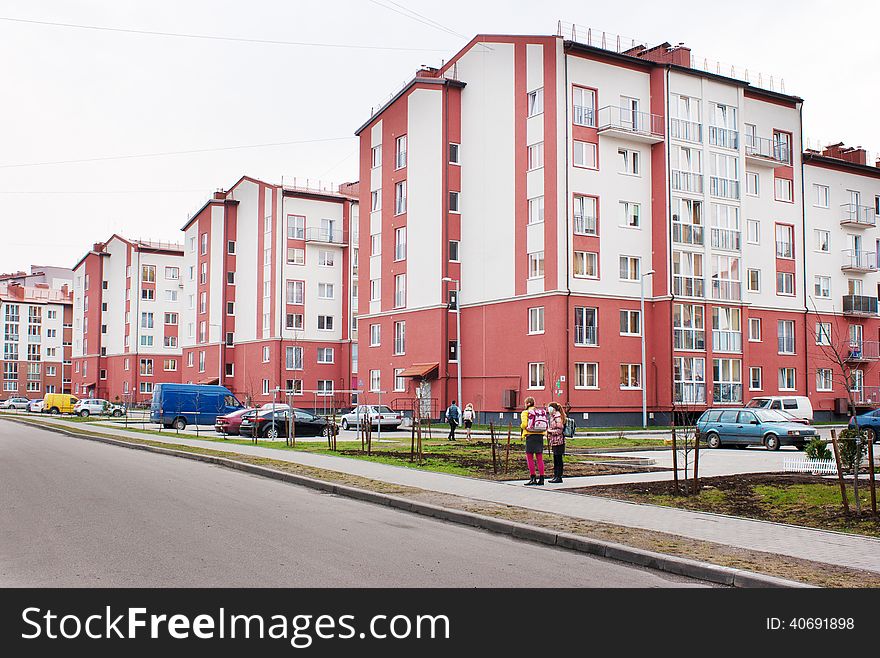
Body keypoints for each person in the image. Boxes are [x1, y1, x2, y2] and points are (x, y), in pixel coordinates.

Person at [520, 396, 548, 486]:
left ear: (528, 404)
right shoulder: (538, 412)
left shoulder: (525, 412)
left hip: (530, 436)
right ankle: (542, 478)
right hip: (540, 435)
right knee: (539, 458)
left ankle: (533, 478)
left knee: (530, 457)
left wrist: (522, 426)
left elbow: (524, 424)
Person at [547, 402, 567, 483]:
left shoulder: (558, 417)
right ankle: (556, 476)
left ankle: (559, 476)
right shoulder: (553, 417)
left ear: (554, 409)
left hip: (559, 441)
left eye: (550, 407)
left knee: (558, 458)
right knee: (555, 458)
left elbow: (560, 429)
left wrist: (550, 431)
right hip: (554, 440)